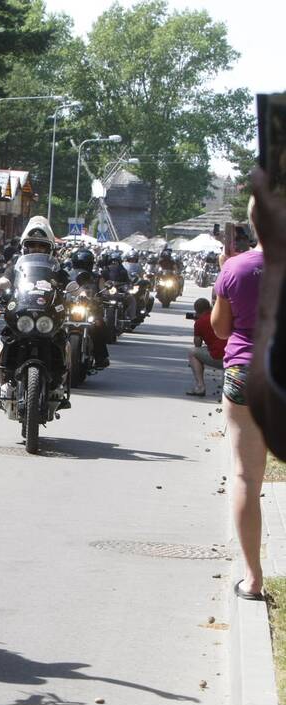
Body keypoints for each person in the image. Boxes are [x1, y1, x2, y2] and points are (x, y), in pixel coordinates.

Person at [212, 195, 267, 601]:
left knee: (247, 476)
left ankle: (252, 579)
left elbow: (219, 329)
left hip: (247, 374)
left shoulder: (237, 267)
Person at [245, 169, 286, 460]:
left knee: (244, 475)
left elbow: (277, 426)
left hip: (238, 366)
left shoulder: (235, 268)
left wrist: (276, 259)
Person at [186, 297, 225, 397]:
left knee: (192, 352)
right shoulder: (221, 316)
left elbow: (197, 344)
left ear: (197, 311)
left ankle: (200, 387)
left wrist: (197, 325)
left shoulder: (200, 322)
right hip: (233, 356)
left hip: (219, 357)